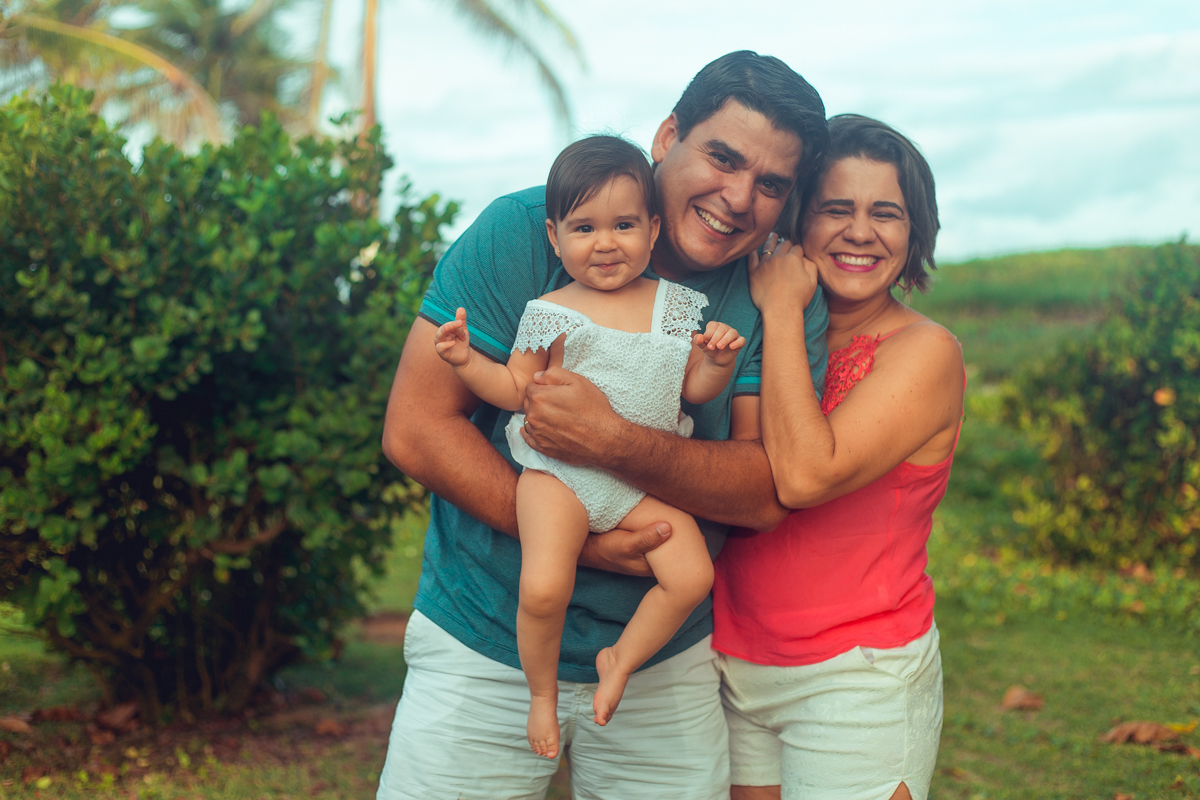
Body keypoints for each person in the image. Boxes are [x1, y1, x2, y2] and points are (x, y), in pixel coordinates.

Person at [377, 51, 828, 799]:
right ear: (667, 136)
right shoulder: (530, 229)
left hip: (662, 663)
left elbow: (763, 492)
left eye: (772, 184)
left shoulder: (773, 290)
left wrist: (612, 441)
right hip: (483, 637)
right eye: (722, 157)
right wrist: (584, 543)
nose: (739, 198)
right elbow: (417, 427)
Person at [431, 134, 746, 758]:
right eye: (584, 228)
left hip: (637, 483)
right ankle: (541, 696)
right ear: (554, 238)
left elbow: (694, 389)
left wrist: (715, 360)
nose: (605, 243)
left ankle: (620, 659)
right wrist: (467, 361)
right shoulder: (549, 312)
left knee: (690, 576)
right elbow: (515, 389)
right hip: (558, 476)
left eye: (624, 224)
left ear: (653, 230)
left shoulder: (675, 307)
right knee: (544, 586)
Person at [712, 114, 965, 800]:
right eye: (835, 209)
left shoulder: (925, 353)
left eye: (886, 213)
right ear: (800, 220)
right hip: (729, 660)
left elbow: (802, 475)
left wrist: (784, 309)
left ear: (915, 233)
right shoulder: (752, 324)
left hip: (857, 677)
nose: (860, 232)